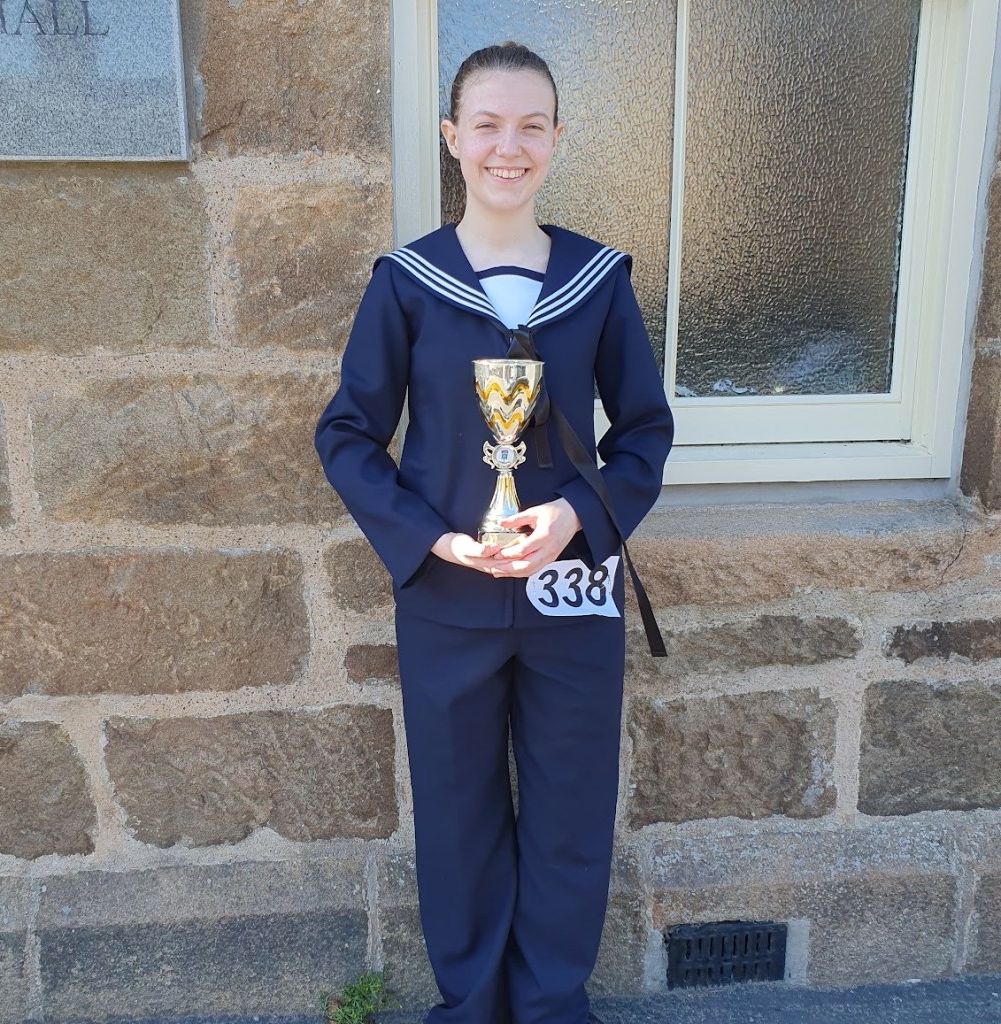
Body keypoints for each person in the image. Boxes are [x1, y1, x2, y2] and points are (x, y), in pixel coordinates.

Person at [315, 42, 674, 1024]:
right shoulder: (407, 283)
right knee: (458, 816)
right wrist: (431, 538)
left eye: (529, 126)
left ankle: (553, 1005)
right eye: (486, 125)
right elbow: (346, 434)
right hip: (448, 597)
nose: (506, 147)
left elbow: (643, 431)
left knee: (570, 813)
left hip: (571, 593)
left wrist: (576, 514)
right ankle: (470, 1005)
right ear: (451, 137)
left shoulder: (596, 280)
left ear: (556, 139)